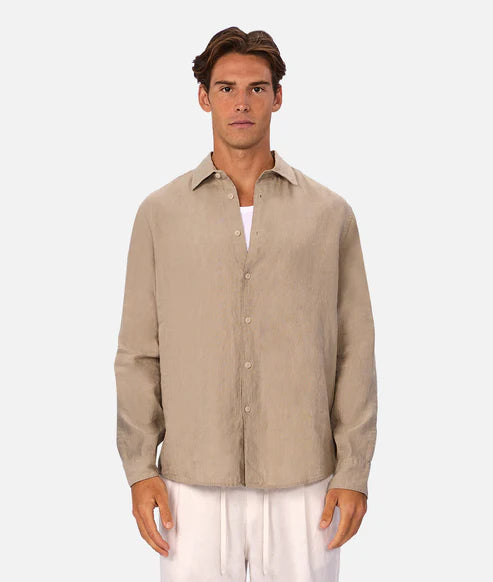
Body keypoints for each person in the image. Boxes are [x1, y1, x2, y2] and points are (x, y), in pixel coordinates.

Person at [114, 26, 378, 582]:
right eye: (226, 88)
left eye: (257, 88)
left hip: (306, 480)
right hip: (190, 482)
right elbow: (138, 352)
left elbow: (355, 350)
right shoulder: (160, 214)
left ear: (277, 98)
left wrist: (353, 470)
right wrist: (140, 468)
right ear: (204, 97)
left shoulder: (329, 214)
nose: (241, 102)